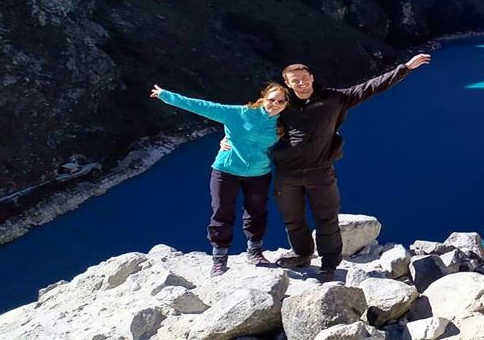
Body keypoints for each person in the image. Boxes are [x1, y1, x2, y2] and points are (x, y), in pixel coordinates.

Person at [270, 54, 431, 281]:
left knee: (327, 219)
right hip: (287, 173)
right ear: (287, 83)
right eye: (295, 80)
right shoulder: (280, 105)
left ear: (312, 77)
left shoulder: (335, 98)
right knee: (293, 219)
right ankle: (301, 254)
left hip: (320, 170)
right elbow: (249, 122)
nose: (301, 83)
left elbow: (371, 87)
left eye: (304, 78)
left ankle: (329, 265)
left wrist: (405, 68)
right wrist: (227, 139)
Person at [150, 82, 290, 276]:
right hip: (226, 171)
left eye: (280, 101)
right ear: (263, 98)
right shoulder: (238, 113)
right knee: (222, 212)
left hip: (259, 173)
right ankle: (219, 259)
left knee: (257, 212)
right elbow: (203, 106)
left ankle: (255, 251)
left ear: (286, 104)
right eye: (271, 99)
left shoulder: (283, 123)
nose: (274, 104)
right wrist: (166, 95)